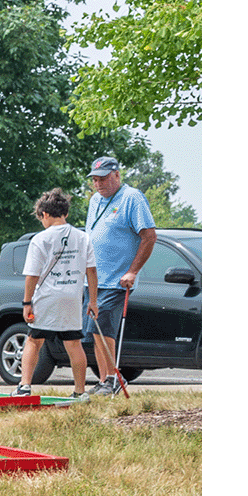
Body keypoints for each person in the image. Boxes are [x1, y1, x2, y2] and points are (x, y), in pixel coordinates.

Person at [82, 156, 156, 398]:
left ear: (116, 175)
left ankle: (113, 378)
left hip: (116, 279)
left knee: (104, 328)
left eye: (103, 178)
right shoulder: (95, 201)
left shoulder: (132, 198)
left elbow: (149, 236)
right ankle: (105, 379)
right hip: (93, 279)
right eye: (95, 179)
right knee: (94, 330)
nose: (98, 183)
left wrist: (132, 271)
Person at [14, 188, 98, 400]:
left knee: (35, 340)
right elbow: (92, 270)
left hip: (47, 297)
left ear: (44, 214)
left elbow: (32, 275)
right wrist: (93, 301)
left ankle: (24, 386)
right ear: (66, 213)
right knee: (73, 343)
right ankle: (80, 391)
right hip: (72, 296)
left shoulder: (40, 239)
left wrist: (27, 302)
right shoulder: (83, 237)